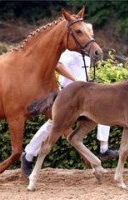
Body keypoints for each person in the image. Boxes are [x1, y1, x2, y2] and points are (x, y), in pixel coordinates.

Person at [21, 23, 118, 178]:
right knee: (53, 125)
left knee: (104, 110)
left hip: (84, 96)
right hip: (69, 96)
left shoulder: (85, 52)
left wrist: (87, 81)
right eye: (87, 34)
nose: (89, 38)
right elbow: (58, 65)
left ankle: (104, 149)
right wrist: (75, 81)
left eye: (91, 35)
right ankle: (28, 155)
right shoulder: (70, 51)